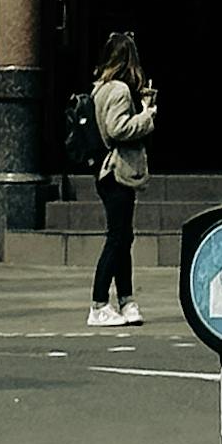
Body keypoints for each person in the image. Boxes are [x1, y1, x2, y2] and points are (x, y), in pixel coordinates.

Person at [86, 31, 157, 327]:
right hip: (116, 170)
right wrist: (148, 114)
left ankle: (126, 299)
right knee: (117, 237)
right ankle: (99, 302)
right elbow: (118, 129)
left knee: (123, 236)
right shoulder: (118, 91)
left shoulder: (99, 88)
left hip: (105, 170)